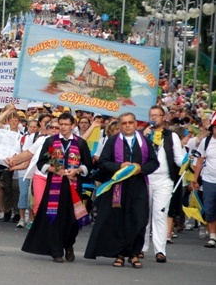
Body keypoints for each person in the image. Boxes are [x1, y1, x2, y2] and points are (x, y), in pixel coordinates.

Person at [84, 112, 159, 268]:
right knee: (117, 219)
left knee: (138, 218)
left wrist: (141, 168)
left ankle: (133, 254)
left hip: (138, 185)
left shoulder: (144, 142)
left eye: (130, 122)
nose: (127, 125)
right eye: (124, 123)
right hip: (118, 186)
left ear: (135, 124)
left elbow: (154, 163)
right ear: (119, 125)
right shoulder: (112, 141)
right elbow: (103, 162)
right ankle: (119, 254)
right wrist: (119, 166)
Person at [22, 112, 92, 262]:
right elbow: (41, 163)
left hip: (73, 186)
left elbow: (88, 165)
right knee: (54, 218)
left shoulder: (80, 143)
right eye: (61, 124)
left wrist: (77, 170)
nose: (63, 127)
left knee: (72, 220)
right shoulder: (51, 141)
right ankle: (56, 251)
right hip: (54, 185)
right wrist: (54, 169)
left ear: (73, 125)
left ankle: (68, 244)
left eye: (66, 124)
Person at [142, 105, 186, 263]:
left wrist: (188, 160)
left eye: (157, 115)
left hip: (164, 180)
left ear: (164, 117)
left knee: (160, 214)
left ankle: (160, 250)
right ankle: (141, 247)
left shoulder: (171, 136)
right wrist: (145, 137)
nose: (154, 118)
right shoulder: (143, 134)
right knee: (144, 214)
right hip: (146, 179)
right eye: (151, 115)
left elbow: (179, 159)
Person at [191, 112, 216, 248]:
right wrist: (194, 180)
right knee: (210, 208)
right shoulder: (206, 142)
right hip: (209, 180)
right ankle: (212, 237)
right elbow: (199, 161)